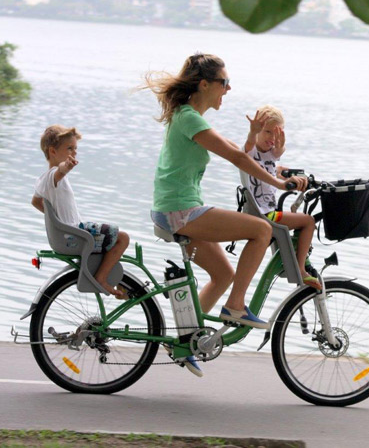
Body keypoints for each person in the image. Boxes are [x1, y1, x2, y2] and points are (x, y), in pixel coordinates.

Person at [143, 53, 305, 377]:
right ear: (204, 84)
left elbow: (240, 151)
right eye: (224, 83)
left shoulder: (190, 117)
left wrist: (278, 166)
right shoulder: (189, 118)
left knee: (223, 274)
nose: (228, 89)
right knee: (261, 230)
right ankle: (235, 307)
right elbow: (234, 157)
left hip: (174, 208)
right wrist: (277, 183)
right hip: (180, 209)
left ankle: (184, 342)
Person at [31, 125, 130, 299]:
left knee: (110, 239)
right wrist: (65, 167)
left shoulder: (42, 179)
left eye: (75, 148)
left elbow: (35, 201)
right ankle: (102, 278)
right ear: (53, 151)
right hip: (74, 236)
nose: (74, 153)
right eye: (69, 148)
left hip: (69, 234)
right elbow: (59, 171)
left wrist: (55, 220)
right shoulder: (54, 175)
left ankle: (117, 281)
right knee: (122, 238)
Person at [244, 105, 321, 290]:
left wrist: (289, 173)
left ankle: (290, 262)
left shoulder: (268, 154)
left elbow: (275, 163)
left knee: (299, 220)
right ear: (257, 132)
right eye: (267, 131)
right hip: (265, 214)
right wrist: (252, 133)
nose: (271, 138)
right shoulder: (251, 151)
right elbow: (247, 148)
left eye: (276, 133)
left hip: (265, 212)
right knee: (309, 221)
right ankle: (301, 269)